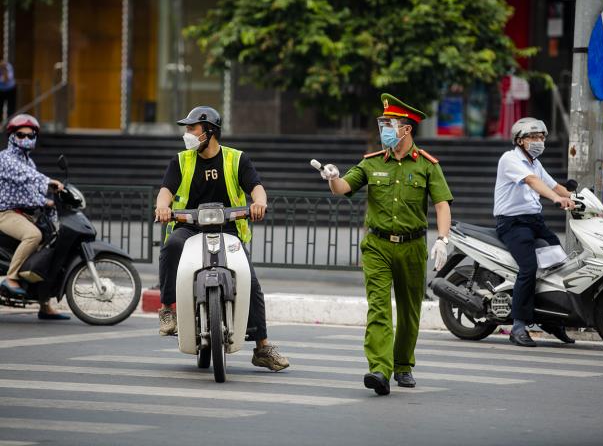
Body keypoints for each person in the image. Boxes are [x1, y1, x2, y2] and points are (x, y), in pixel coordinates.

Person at [317, 93, 453, 395]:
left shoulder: (427, 166)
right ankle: (379, 368)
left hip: (412, 246)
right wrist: (332, 176)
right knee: (379, 308)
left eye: (389, 124)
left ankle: (403, 364)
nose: (384, 130)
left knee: (408, 310)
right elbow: (343, 188)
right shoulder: (372, 163)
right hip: (377, 246)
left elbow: (442, 204)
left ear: (407, 129)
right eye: (382, 124)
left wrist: (443, 239)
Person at [155, 105, 289, 372]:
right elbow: (165, 191)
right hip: (190, 227)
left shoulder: (236, 159)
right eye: (187, 129)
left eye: (192, 128)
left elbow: (256, 188)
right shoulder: (181, 160)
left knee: (249, 280)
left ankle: (262, 347)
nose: (187, 133)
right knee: (171, 246)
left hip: (228, 229)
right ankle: (167, 308)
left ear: (209, 131)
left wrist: (259, 203)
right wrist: (162, 207)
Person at [494, 117, 575, 347]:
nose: (539, 141)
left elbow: (553, 185)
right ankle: (518, 326)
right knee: (529, 267)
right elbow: (532, 182)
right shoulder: (510, 159)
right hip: (512, 223)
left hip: (534, 221)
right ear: (519, 140)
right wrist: (557, 199)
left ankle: (549, 319)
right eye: (533, 137)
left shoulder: (535, 163)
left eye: (541, 137)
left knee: (559, 261)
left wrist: (580, 198)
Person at [0, 113, 68, 319]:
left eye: (31, 135)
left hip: (26, 214)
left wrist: (47, 201)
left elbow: (29, 191)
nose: (27, 139)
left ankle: (44, 305)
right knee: (33, 236)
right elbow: (24, 175)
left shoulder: (29, 162)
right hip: (6, 213)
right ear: (12, 136)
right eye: (21, 134)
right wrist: (49, 182)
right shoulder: (6, 158)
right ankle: (10, 278)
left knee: (47, 254)